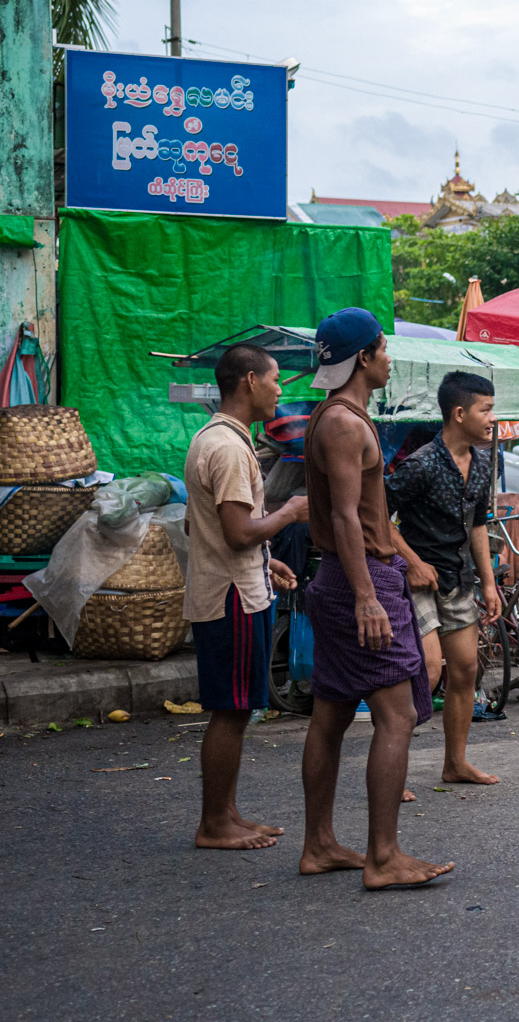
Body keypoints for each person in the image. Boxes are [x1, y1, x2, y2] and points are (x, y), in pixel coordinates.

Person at [297, 307, 453, 890]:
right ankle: (382, 858)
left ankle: (318, 845)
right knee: (397, 715)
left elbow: (365, 514)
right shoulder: (342, 423)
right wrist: (368, 597)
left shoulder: (342, 415)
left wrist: (404, 561)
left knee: (333, 712)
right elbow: (343, 516)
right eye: (383, 348)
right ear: (364, 357)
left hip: (354, 575)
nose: (389, 358)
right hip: (356, 581)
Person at [184, 344, 308, 850]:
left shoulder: (219, 438)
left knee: (237, 709)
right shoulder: (231, 448)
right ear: (250, 381)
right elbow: (236, 532)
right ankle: (214, 824)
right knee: (231, 709)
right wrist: (290, 513)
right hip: (230, 596)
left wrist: (266, 557)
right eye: (276, 379)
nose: (282, 390)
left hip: (238, 584)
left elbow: (211, 528)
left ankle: (227, 814)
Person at [386, 371, 504, 789]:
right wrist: (413, 562)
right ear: (459, 413)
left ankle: (455, 763)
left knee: (466, 670)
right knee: (428, 669)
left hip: (459, 580)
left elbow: (477, 523)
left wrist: (488, 583)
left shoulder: (486, 460)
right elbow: (377, 517)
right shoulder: (419, 465)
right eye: (486, 410)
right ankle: (391, 773)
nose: (493, 419)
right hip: (417, 582)